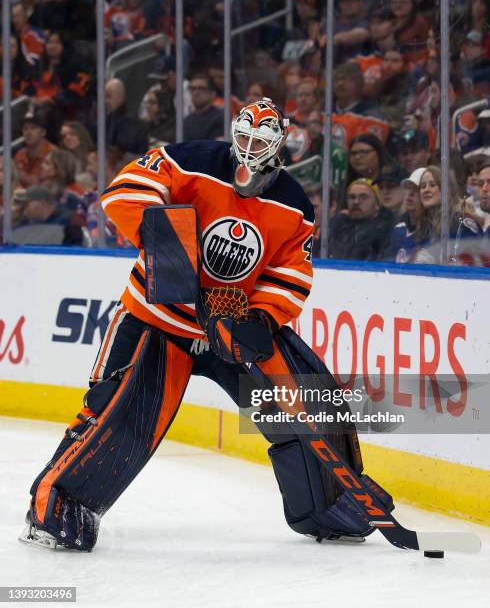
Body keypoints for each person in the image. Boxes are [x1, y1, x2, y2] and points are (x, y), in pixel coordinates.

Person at [20, 98, 391, 552]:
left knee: (303, 401)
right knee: (114, 410)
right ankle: (56, 506)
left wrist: (262, 317)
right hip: (156, 320)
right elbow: (124, 191)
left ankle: (328, 505)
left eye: (260, 141)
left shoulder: (295, 204)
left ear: (278, 145)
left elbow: (290, 272)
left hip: (231, 327)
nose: (249, 148)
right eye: (243, 137)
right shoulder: (191, 159)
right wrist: (171, 247)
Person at [328, 178, 394, 260]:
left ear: (377, 204)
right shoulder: (337, 225)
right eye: (352, 197)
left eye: (363, 197)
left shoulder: (385, 231)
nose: (356, 202)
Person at [11, 185, 85, 246]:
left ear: (42, 203)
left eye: (27, 203)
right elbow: (14, 239)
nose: (24, 208)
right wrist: (14, 218)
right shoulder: (28, 220)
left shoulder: (68, 220)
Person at [388, 167, 426, 262]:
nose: (410, 193)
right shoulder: (399, 228)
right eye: (409, 188)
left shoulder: (434, 232)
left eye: (417, 189)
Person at [14, 111, 57, 188]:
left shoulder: (53, 153)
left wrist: (17, 174)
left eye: (33, 128)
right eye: (25, 128)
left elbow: (48, 184)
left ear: (43, 132)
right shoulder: (20, 154)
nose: (28, 132)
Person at [183, 73, 224, 141]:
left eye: (201, 88)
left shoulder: (220, 117)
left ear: (212, 94)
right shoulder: (186, 120)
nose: (196, 92)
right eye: (193, 88)